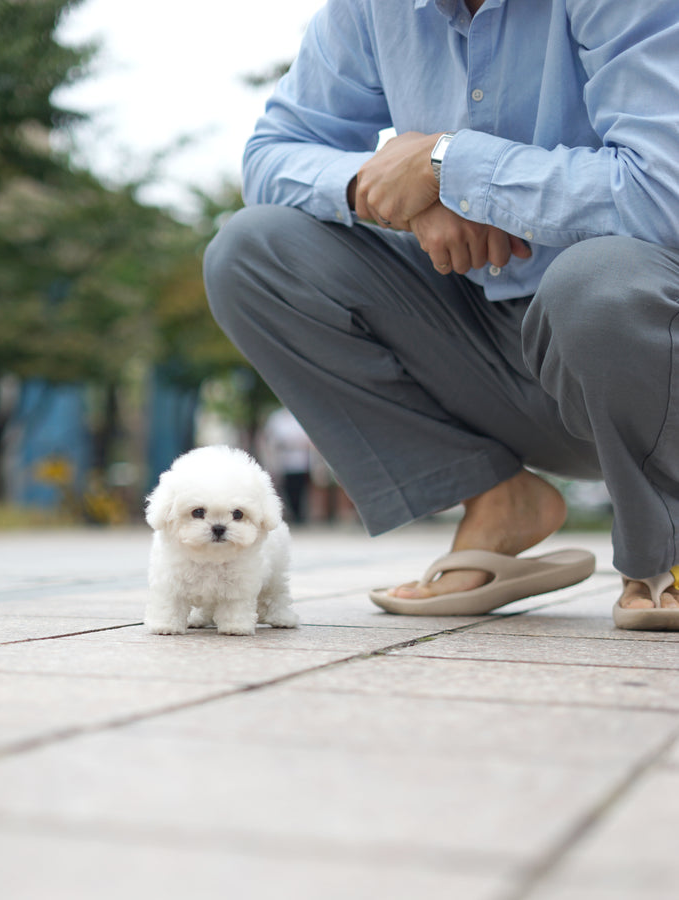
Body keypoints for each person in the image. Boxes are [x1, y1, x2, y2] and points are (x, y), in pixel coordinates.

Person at [203, 0, 679, 629]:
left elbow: (662, 192)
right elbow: (270, 157)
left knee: (599, 283)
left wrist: (449, 164)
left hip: (642, 345)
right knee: (252, 250)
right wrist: (399, 192)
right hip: (490, 339)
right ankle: (498, 500)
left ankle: (664, 550)